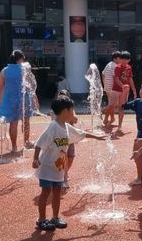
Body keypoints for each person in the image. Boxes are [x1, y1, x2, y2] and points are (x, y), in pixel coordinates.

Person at [32, 95, 102, 231]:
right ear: (65, 111)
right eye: (72, 110)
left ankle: (55, 217)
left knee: (57, 191)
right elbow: (39, 144)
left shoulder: (67, 127)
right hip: (47, 167)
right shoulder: (53, 127)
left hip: (58, 169)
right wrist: (35, 159)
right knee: (46, 192)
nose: (73, 113)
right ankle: (41, 219)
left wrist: (97, 137)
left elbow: (81, 133)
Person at [0, 49, 36, 153]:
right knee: (26, 121)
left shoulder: (4, 71)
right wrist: (34, 99)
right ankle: (26, 142)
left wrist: (1, 102)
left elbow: (1, 88)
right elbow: (30, 87)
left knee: (13, 124)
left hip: (10, 100)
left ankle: (14, 147)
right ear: (20, 59)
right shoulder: (25, 69)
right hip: (24, 98)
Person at [112, 50, 137, 134]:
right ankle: (105, 117)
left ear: (129, 60)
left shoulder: (129, 67)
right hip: (116, 89)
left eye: (126, 59)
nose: (124, 61)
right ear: (120, 59)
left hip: (124, 91)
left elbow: (130, 79)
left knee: (121, 107)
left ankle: (119, 126)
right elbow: (116, 79)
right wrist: (122, 86)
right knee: (112, 105)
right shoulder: (117, 67)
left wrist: (134, 90)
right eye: (122, 59)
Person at [102, 51, 121, 128]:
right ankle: (103, 112)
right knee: (113, 104)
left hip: (107, 87)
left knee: (111, 103)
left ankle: (111, 118)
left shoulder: (109, 64)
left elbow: (103, 74)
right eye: (120, 58)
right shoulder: (115, 66)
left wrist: (104, 84)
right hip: (112, 88)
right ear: (115, 58)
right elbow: (115, 78)